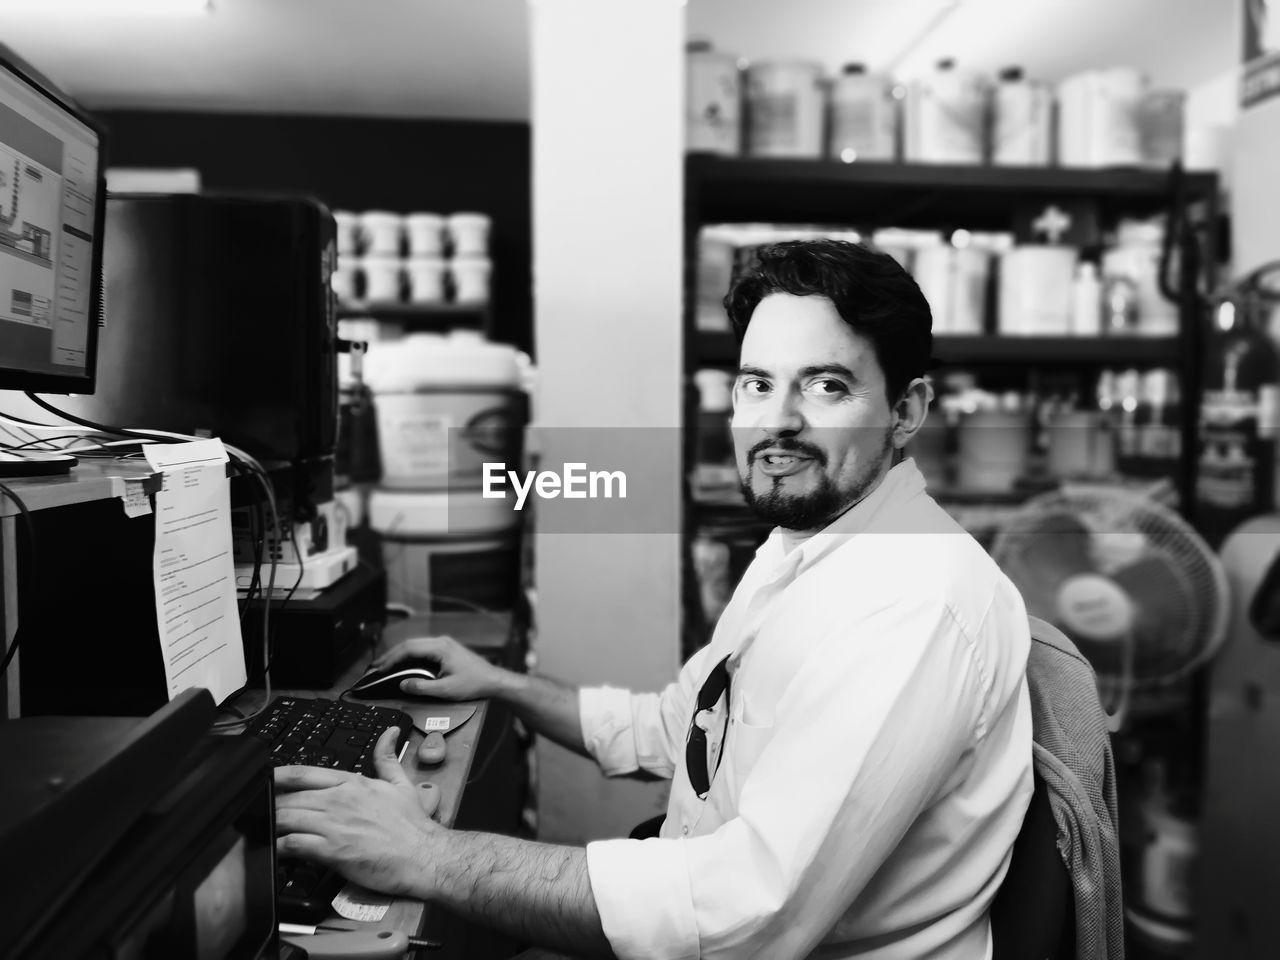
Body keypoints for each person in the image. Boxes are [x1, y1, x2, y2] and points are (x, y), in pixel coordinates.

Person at [275, 239, 1034, 959]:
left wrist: (430, 857)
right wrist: (500, 684)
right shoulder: (806, 544)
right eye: (757, 384)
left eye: (827, 385)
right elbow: (684, 726)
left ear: (907, 411)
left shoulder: (910, 603)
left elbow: (748, 916)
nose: (778, 421)